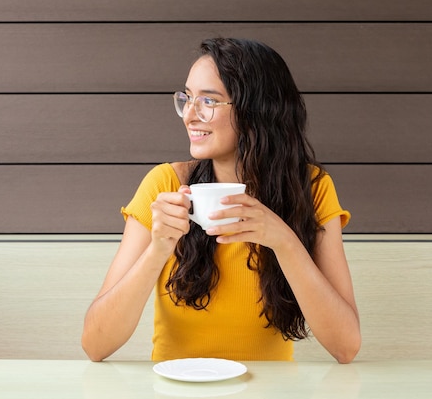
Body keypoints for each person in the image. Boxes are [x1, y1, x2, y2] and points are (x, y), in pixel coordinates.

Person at [81, 38, 361, 363]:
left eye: (209, 102)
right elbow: (95, 344)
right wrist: (158, 249)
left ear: (256, 110)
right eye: (187, 98)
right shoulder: (166, 184)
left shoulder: (311, 189)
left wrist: (284, 240)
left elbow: (346, 346)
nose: (189, 115)